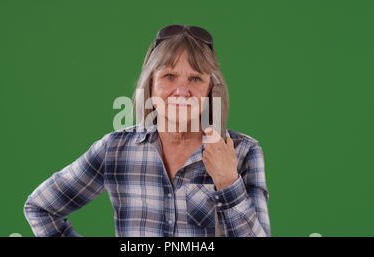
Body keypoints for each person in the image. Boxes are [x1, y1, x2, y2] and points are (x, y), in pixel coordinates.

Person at [24, 24, 271, 237]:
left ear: (210, 90)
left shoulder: (244, 152)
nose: (182, 91)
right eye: (169, 76)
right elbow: (40, 207)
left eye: (195, 79)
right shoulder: (116, 149)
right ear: (150, 84)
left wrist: (228, 182)